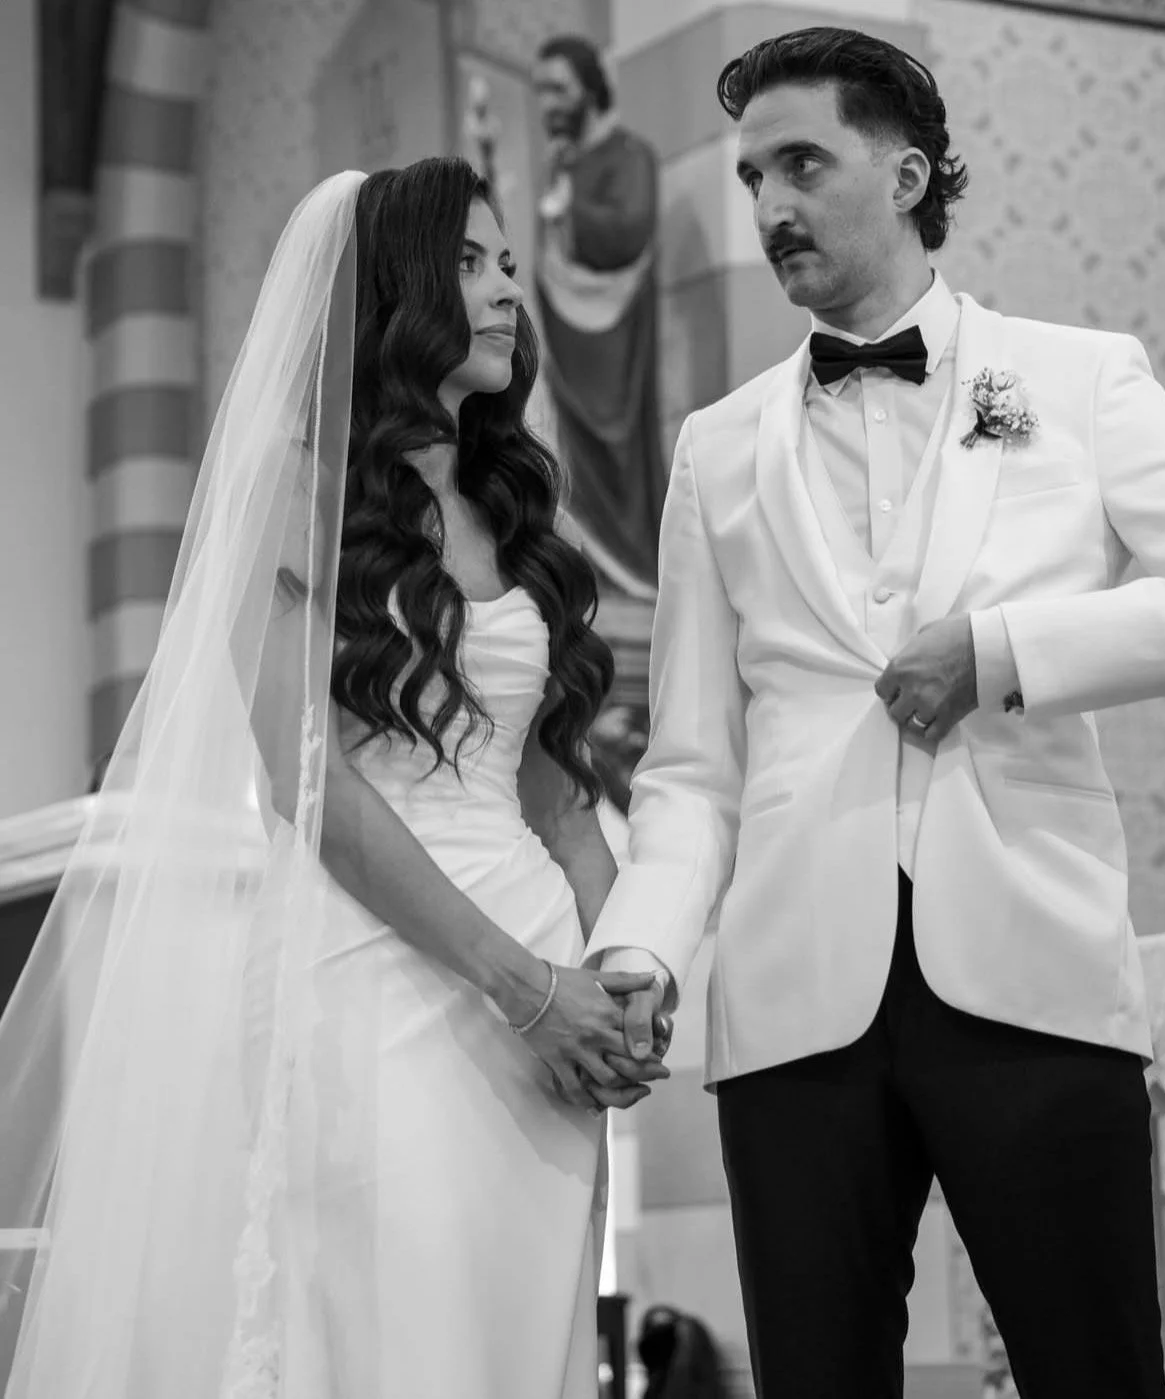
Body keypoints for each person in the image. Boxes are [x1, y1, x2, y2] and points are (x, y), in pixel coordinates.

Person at [588, 25, 1165, 1399]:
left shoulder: (1075, 378)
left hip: (1032, 967)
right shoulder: (714, 445)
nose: (768, 207)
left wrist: (1000, 649)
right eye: (751, 175)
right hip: (792, 997)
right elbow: (691, 762)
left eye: (801, 162)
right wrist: (639, 946)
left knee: (1093, 1370)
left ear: (910, 169)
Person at [0, 159, 668, 1399]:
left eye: (509, 262)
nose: (506, 290)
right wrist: (523, 987)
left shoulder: (515, 514)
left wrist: (622, 970)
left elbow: (562, 799)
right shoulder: (296, 500)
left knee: (531, 1343)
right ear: (397, 294)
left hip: (546, 989)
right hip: (377, 968)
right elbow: (320, 793)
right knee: (399, 1335)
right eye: (470, 263)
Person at [532, 34, 665, 598]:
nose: (547, 103)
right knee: (564, 453)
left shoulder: (630, 155)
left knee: (616, 449)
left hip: (612, 342)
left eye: (559, 89)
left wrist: (571, 212)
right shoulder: (563, 164)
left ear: (591, 88)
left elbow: (630, 227)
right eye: (541, 91)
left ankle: (633, 571)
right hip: (565, 344)